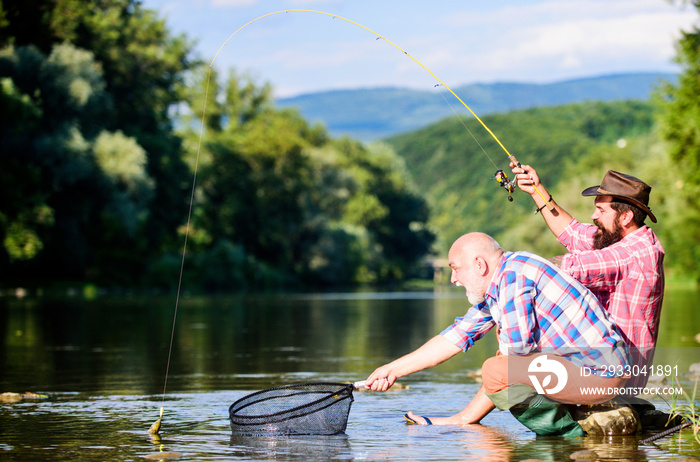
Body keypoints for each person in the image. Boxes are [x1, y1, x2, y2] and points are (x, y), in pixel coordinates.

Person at [364, 233, 629, 432]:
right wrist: (393, 369)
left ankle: (569, 433)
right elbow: (454, 337)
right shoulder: (502, 280)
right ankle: (463, 419)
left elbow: (515, 353)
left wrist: (500, 360)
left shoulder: (513, 278)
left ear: (479, 265)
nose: (454, 279)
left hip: (598, 374)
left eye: (455, 269)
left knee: (496, 367)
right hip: (590, 370)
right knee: (500, 364)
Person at [510, 166, 664, 389]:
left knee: (508, 362)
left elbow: (567, 267)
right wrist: (536, 190)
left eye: (601, 211)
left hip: (615, 378)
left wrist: (510, 270)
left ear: (626, 216)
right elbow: (571, 233)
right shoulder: (619, 237)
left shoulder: (634, 253)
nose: (594, 216)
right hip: (606, 367)